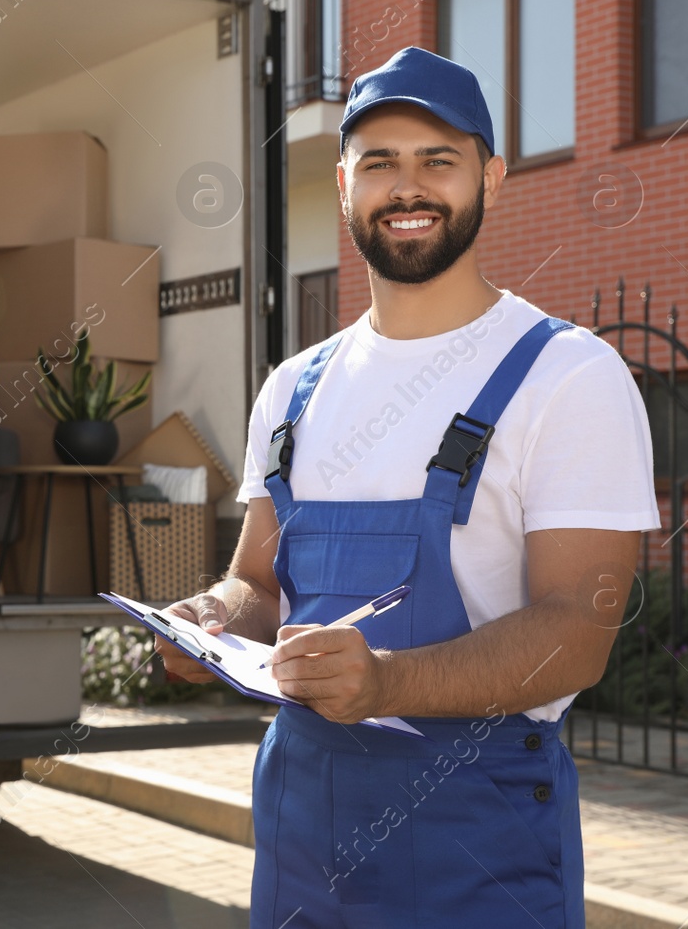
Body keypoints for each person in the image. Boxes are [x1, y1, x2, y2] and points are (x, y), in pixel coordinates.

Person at [158, 47, 661, 927]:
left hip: (479, 843)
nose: (408, 185)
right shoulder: (292, 388)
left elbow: (579, 631)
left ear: (491, 179)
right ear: (347, 183)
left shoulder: (566, 375)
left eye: (439, 159)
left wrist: (384, 683)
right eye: (380, 161)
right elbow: (261, 583)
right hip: (300, 833)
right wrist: (211, 618)